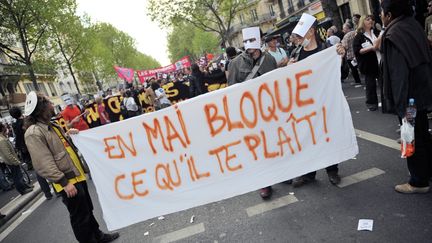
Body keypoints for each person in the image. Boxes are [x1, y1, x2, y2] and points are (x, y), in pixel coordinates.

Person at [24, 92, 120, 243]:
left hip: (76, 175)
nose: (52, 105)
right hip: (67, 181)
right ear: (41, 109)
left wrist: (69, 134)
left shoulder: (51, 125)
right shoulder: (34, 132)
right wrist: (63, 182)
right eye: (49, 102)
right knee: (79, 216)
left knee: (87, 209)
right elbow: (43, 162)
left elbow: (60, 147)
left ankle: (97, 235)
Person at [380, 0, 432, 194]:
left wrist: (402, 109)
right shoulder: (413, 26)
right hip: (422, 92)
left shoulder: (393, 34)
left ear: (389, 15)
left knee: (411, 137)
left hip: (409, 99)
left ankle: (418, 181)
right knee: (423, 134)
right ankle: (426, 172)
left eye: (382, 12)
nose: (380, 15)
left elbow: (398, 74)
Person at [289, 13, 345, 188]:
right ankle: (309, 173)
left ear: (311, 32)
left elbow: (340, 74)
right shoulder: (296, 54)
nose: (297, 39)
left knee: (327, 135)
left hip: (324, 102)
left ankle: (332, 170)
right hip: (304, 105)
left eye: (300, 35)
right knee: (307, 138)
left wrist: (340, 58)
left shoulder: (326, 50)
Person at [227, 26, 277, 199]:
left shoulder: (269, 59)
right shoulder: (235, 63)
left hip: (269, 111)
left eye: (253, 40)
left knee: (273, 144)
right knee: (258, 149)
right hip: (249, 115)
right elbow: (231, 91)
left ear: (260, 40)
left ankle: (281, 174)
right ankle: (265, 183)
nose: (250, 45)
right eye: (247, 41)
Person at [9, 107, 53, 199]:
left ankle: (47, 193)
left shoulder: (14, 125)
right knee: (48, 164)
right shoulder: (27, 121)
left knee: (38, 170)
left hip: (25, 150)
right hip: (34, 145)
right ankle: (57, 189)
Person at [353, 15, 381, 111]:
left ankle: (388, 103)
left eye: (372, 19)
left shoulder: (376, 32)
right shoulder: (359, 36)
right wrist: (371, 48)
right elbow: (357, 50)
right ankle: (372, 104)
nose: (371, 21)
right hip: (368, 64)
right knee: (371, 85)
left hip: (380, 61)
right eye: (368, 19)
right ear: (362, 22)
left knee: (384, 83)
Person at [0, 123, 33, 195]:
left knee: (19, 175)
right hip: (11, 162)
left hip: (11, 161)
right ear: (2, 128)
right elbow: (7, 154)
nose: (6, 127)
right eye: (4, 126)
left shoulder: (3, 137)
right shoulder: (1, 140)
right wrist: (15, 161)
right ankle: (22, 190)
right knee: (17, 177)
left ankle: (25, 187)